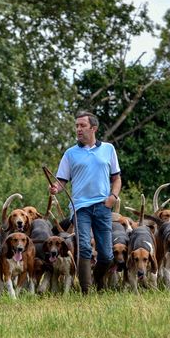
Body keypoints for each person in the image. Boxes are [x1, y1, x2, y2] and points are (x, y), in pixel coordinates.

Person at [48, 111, 121, 293]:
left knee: (106, 254)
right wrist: (55, 188)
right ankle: (86, 291)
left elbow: (117, 178)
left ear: (93, 128)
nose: (78, 129)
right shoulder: (70, 153)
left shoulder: (108, 149)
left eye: (82, 126)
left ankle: (97, 279)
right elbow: (61, 181)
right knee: (84, 248)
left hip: (103, 206)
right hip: (80, 207)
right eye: (77, 126)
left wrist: (113, 197)